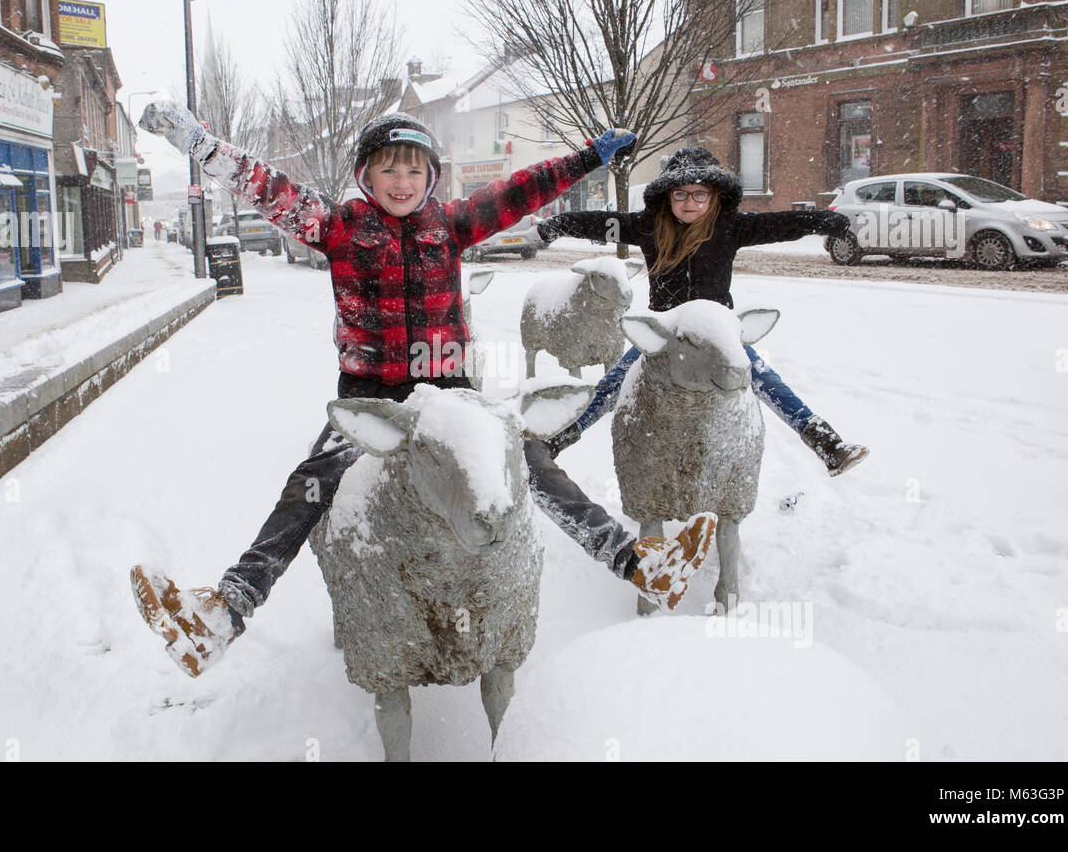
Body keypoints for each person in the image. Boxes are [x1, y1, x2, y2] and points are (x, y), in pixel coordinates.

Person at [128, 103, 719, 678]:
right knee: (309, 485)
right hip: (371, 395)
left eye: (415, 169)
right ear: (366, 175)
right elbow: (269, 188)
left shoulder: (452, 224)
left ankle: (638, 562)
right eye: (388, 167)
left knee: (527, 459)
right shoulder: (339, 228)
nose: (402, 181)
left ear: (431, 177)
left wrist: (590, 155)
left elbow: (523, 190)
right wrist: (202, 145)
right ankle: (225, 611)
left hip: (449, 395)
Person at [537, 147, 869, 475]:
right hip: (666, 329)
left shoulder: (730, 226)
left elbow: (781, 224)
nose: (689, 202)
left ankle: (828, 445)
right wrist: (561, 223)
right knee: (612, 385)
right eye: (680, 193)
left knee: (764, 378)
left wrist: (821, 221)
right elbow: (599, 224)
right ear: (668, 195)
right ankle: (554, 442)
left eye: (700, 194)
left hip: (716, 329)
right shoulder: (648, 226)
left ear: (713, 196)